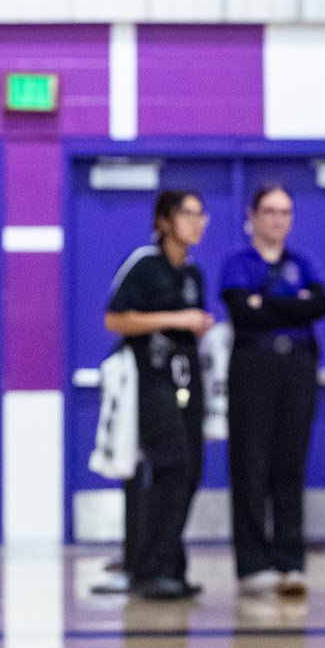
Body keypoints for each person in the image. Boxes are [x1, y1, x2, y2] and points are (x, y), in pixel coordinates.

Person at [216, 185, 325, 596]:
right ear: (252, 215)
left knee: (291, 463)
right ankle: (253, 563)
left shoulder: (303, 262)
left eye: (285, 212)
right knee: (251, 463)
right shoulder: (237, 263)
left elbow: (319, 305)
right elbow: (242, 313)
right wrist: (291, 304)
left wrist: (265, 302)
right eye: (269, 211)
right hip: (253, 366)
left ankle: (290, 561)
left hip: (297, 365)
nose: (278, 219)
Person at [103, 192, 212, 602]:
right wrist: (175, 319)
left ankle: (171, 563)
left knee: (192, 469)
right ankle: (148, 567)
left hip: (187, 373)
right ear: (165, 220)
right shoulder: (144, 264)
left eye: (201, 214)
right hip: (150, 374)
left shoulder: (193, 273)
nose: (196, 222)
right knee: (172, 464)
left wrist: (197, 326)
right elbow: (115, 318)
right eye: (187, 213)